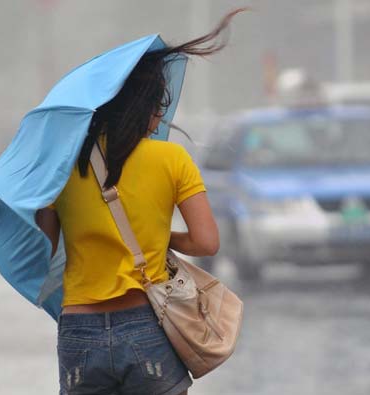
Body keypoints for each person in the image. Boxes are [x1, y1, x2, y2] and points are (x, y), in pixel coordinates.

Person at [34, 9, 243, 395]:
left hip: (79, 329)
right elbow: (206, 243)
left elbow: (44, 252)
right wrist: (163, 238)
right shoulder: (172, 159)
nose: (161, 113)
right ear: (141, 107)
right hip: (145, 323)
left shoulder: (60, 166)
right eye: (158, 103)